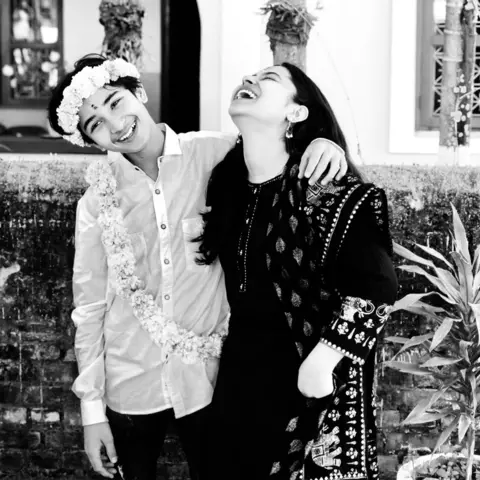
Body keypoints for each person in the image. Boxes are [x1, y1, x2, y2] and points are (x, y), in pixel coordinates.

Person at [47, 54, 349, 480]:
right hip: (130, 383)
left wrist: (321, 143)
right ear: (91, 141)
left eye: (116, 103)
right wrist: (92, 413)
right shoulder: (96, 202)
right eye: (96, 123)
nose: (115, 124)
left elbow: (278, 144)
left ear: (139, 93)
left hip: (208, 380)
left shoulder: (217, 153)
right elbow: (90, 306)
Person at [196, 63, 398, 480]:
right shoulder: (227, 185)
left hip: (310, 389)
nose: (248, 80)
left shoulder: (326, 190)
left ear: (296, 112)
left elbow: (377, 287)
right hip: (240, 383)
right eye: (250, 76)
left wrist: (323, 362)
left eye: (268, 79)